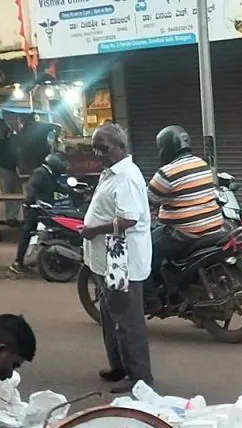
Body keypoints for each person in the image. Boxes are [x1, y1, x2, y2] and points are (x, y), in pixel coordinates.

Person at [81, 123, 154, 391]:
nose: (98, 153)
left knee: (127, 320)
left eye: (104, 148)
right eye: (95, 148)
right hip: (108, 259)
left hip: (121, 261)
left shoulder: (127, 177)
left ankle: (139, 377)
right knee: (110, 315)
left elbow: (128, 220)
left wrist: (94, 230)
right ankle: (120, 366)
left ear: (121, 148)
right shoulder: (111, 172)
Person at [147, 125, 225, 299]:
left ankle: (150, 299)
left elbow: (148, 198)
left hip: (184, 233)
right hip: (214, 228)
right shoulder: (201, 163)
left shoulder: (167, 172)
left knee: (144, 250)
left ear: (166, 147)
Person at [10, 153, 65, 274]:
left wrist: (75, 191)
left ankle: (45, 258)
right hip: (33, 208)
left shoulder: (49, 173)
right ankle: (18, 262)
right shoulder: (40, 172)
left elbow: (58, 187)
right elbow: (31, 186)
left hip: (42, 208)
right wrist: (34, 200)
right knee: (27, 232)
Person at [0, 120, 23, 225]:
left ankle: (11, 217)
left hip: (6, 169)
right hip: (6, 169)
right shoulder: (6, 140)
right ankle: (11, 218)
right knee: (11, 194)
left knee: (12, 194)